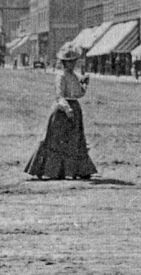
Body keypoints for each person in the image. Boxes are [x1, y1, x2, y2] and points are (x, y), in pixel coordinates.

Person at [24, 43, 97, 180]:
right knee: (55, 141)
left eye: (74, 61)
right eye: (70, 62)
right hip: (61, 112)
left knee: (75, 140)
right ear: (64, 63)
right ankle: (51, 171)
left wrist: (84, 84)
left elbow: (79, 94)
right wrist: (67, 108)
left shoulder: (73, 76)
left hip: (74, 109)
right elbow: (59, 96)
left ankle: (79, 170)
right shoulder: (61, 76)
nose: (73, 64)